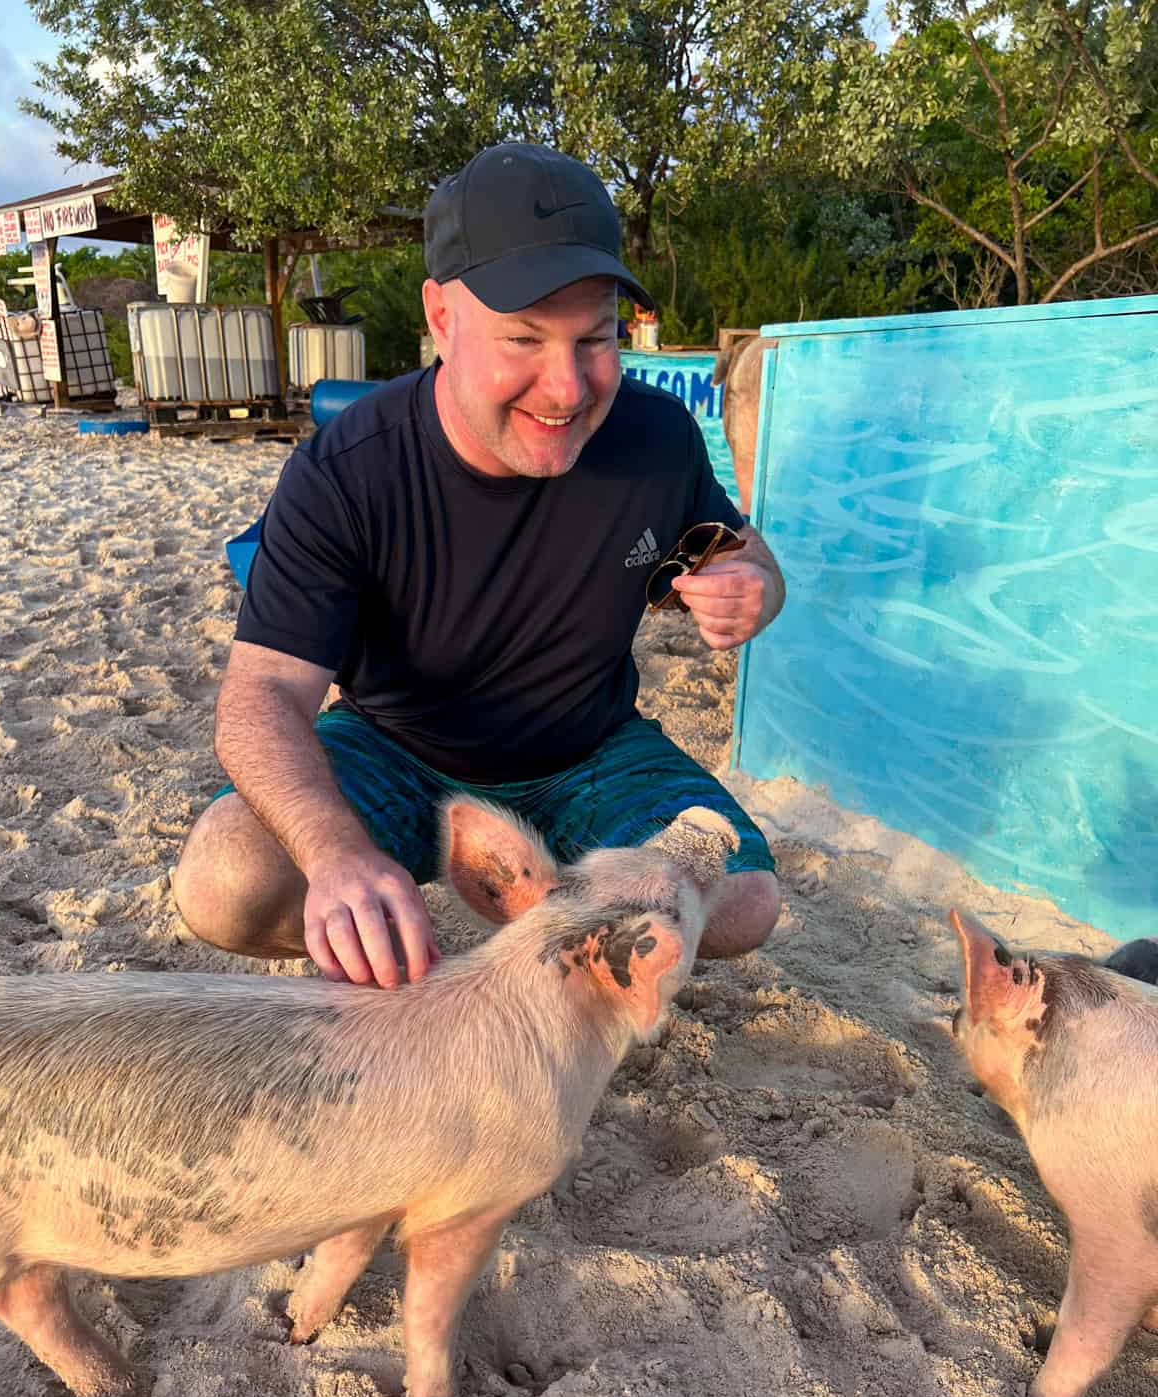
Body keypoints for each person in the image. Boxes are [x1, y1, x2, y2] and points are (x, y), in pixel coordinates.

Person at [173, 142, 787, 989]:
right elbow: (262, 695)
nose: (568, 387)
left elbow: (737, 551)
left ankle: (550, 907)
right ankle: (550, 914)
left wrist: (753, 589)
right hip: (397, 749)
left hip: (592, 752)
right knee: (228, 880)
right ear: (441, 318)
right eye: (525, 338)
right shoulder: (347, 470)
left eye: (595, 339)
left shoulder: (657, 438)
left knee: (746, 898)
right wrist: (338, 856)